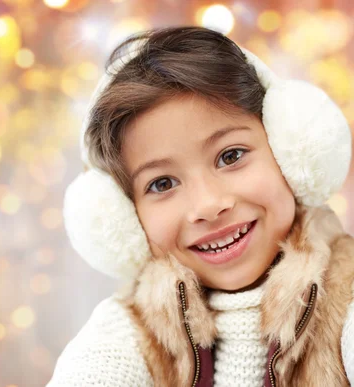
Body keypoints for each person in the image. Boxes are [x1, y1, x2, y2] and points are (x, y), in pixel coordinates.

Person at [47, 26, 354, 386]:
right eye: (162, 183)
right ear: (126, 216)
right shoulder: (126, 334)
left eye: (230, 156)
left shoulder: (346, 297)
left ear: (288, 149)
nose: (208, 206)